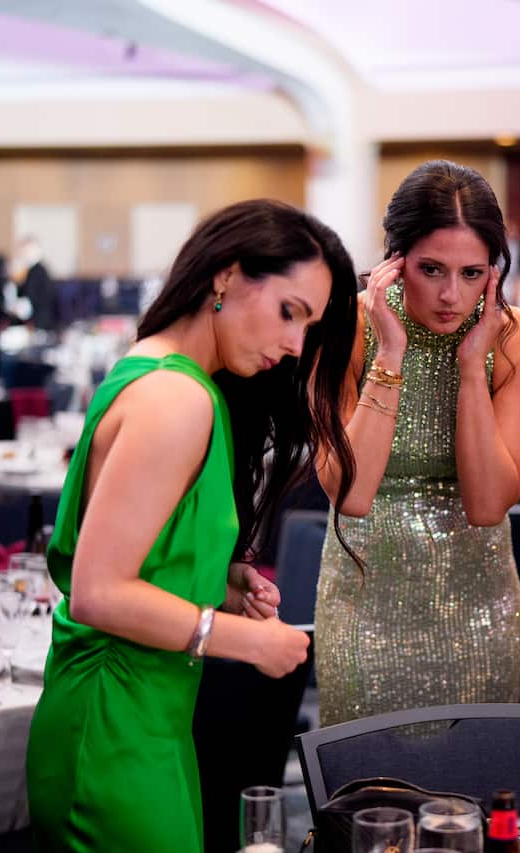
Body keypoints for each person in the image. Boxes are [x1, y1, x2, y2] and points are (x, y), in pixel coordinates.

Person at [25, 200, 361, 851]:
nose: (296, 345)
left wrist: (212, 579)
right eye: (291, 311)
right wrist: (245, 638)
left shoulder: (169, 375)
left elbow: (135, 556)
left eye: (309, 325)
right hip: (113, 724)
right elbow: (98, 589)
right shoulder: (175, 396)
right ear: (227, 277)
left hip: (141, 714)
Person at [313, 160, 520, 725]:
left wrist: (473, 367)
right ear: (393, 262)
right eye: (431, 270)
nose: (451, 295)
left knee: (474, 799)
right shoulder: (343, 326)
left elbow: (489, 503)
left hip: (479, 609)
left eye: (472, 274)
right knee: (367, 802)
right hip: (363, 606)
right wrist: (390, 356)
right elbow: (351, 492)